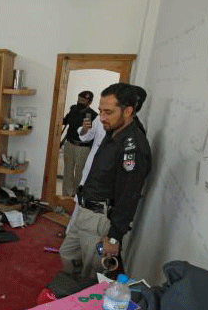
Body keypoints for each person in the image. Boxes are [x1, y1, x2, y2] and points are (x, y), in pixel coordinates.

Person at [59, 83, 151, 279]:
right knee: (67, 255)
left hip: (100, 221)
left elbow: (129, 196)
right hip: (85, 211)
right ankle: (72, 294)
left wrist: (113, 236)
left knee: (91, 274)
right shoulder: (114, 132)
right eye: (100, 111)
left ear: (128, 111)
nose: (101, 118)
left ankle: (81, 302)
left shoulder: (132, 147)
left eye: (108, 112)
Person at [61, 91, 98, 196]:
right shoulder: (73, 109)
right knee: (67, 171)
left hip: (83, 148)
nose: (79, 101)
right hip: (69, 144)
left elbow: (90, 134)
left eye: (83, 100)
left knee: (80, 173)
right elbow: (65, 121)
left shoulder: (93, 115)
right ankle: (66, 197)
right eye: (79, 99)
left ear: (89, 102)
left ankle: (77, 197)